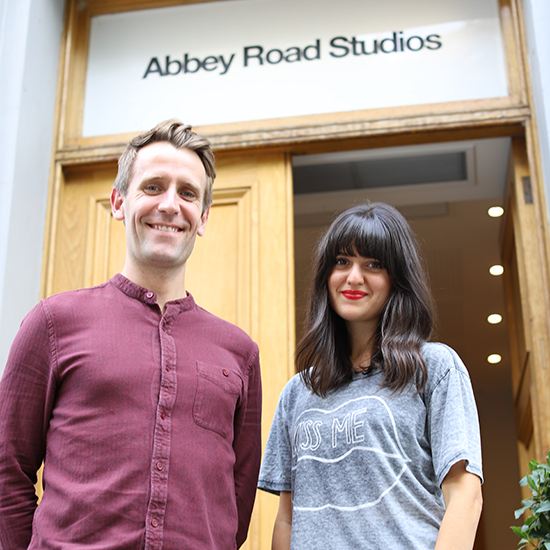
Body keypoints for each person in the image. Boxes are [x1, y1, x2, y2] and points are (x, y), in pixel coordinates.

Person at [0, 119, 262, 550]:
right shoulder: (53, 323)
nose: (170, 205)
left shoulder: (240, 353)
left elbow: (237, 502)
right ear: (119, 202)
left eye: (188, 193)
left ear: (203, 218)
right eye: (153, 187)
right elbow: (7, 473)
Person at [258, 202, 483, 550]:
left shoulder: (434, 367)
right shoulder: (297, 393)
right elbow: (287, 517)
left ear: (398, 278)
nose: (353, 277)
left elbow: (465, 494)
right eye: (342, 261)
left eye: (373, 264)